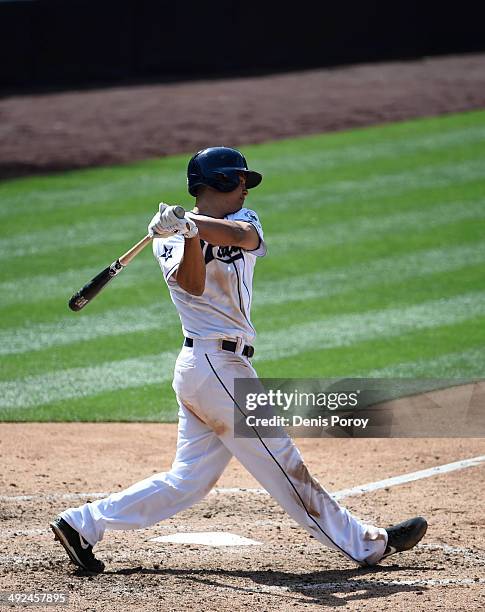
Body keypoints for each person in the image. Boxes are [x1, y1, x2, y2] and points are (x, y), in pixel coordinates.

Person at [50, 146, 427, 573]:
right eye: (240, 180)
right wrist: (185, 234)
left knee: (187, 481)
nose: (246, 188)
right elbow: (192, 285)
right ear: (220, 182)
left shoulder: (245, 221)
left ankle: (81, 524)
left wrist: (190, 223)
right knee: (285, 464)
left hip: (214, 371)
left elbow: (237, 239)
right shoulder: (169, 240)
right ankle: (370, 546)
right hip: (212, 368)